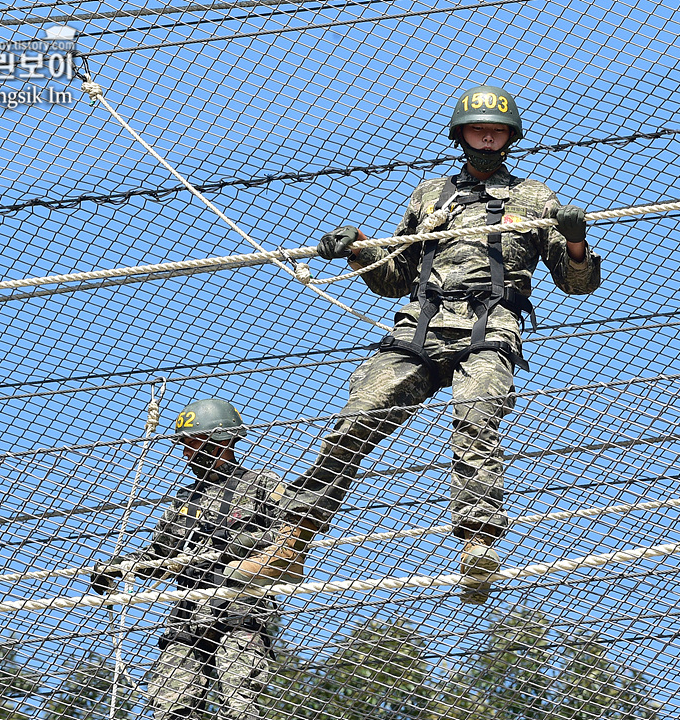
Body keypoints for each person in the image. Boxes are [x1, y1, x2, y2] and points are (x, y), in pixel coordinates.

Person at [227, 85, 602, 602]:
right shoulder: (432, 196)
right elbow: (394, 276)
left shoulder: (534, 199)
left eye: (496, 130)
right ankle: (292, 541)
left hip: (489, 325)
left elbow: (575, 282)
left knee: (476, 418)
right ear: (461, 135)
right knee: (355, 420)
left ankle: (478, 543)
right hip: (419, 325)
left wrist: (576, 240)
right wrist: (358, 248)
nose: (487, 137)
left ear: (510, 137)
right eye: (478, 129)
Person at [91, 398, 282, 720]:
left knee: (238, 703)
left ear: (219, 440)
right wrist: (120, 567)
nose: (186, 453)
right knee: (170, 705)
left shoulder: (260, 484)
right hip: (188, 613)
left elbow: (289, 532)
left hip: (241, 605)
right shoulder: (184, 501)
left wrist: (236, 544)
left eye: (192, 443)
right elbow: (160, 556)